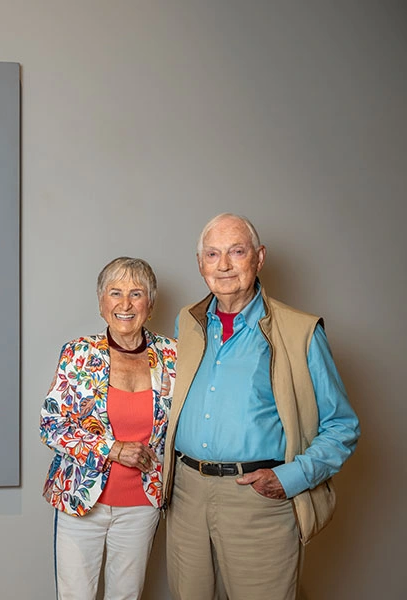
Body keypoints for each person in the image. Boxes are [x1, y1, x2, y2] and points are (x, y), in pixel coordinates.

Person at [162, 213, 360, 600]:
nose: (223, 265)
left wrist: (291, 478)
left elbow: (342, 426)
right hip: (186, 497)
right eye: (212, 254)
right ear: (200, 264)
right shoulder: (187, 323)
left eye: (236, 252)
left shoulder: (300, 331)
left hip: (256, 500)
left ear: (259, 257)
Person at [41, 257, 176, 600]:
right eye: (115, 293)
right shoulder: (79, 353)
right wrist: (113, 449)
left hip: (142, 504)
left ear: (151, 303)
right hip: (82, 502)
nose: (125, 304)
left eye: (136, 293)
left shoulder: (173, 356)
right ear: (101, 302)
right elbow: (52, 425)